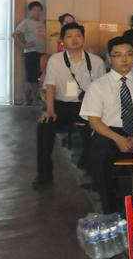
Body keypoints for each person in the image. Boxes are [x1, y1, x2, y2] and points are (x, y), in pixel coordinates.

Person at [80, 36, 133, 213]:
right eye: (118, 55)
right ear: (109, 58)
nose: (124, 59)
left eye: (129, 54)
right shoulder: (98, 86)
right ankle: (109, 208)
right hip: (109, 133)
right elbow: (94, 121)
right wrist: (119, 139)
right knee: (99, 152)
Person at [34, 22, 105, 187]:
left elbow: (102, 89)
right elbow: (50, 86)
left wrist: (100, 113)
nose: (74, 39)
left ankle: (93, 173)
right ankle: (44, 174)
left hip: (87, 106)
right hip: (61, 105)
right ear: (62, 40)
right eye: (69, 36)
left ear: (84, 39)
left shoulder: (96, 62)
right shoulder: (55, 60)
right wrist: (50, 110)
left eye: (78, 36)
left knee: (96, 132)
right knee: (44, 127)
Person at [13, 0, 46, 105]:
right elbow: (15, 34)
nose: (37, 12)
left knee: (39, 76)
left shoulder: (41, 23)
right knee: (32, 76)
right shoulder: (26, 22)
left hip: (41, 53)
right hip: (32, 52)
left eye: (39, 10)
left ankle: (32, 99)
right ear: (30, 11)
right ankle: (34, 100)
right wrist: (24, 45)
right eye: (34, 10)